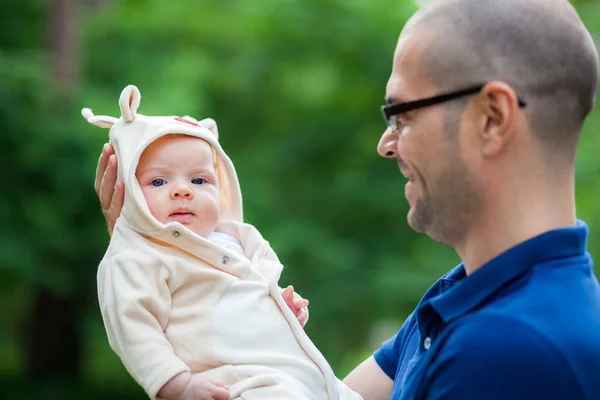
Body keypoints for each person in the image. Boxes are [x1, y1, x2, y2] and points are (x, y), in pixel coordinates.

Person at [95, 0, 600, 398]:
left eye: (403, 113)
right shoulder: (466, 297)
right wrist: (166, 257)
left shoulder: (511, 353)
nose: (386, 143)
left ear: (491, 119)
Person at [84, 85, 362, 400]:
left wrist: (282, 307)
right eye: (158, 181)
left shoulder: (236, 242)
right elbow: (133, 326)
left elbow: (253, 299)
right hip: (232, 383)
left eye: (199, 180)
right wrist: (178, 385)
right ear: (130, 192)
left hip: (302, 376)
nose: (182, 191)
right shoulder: (137, 257)